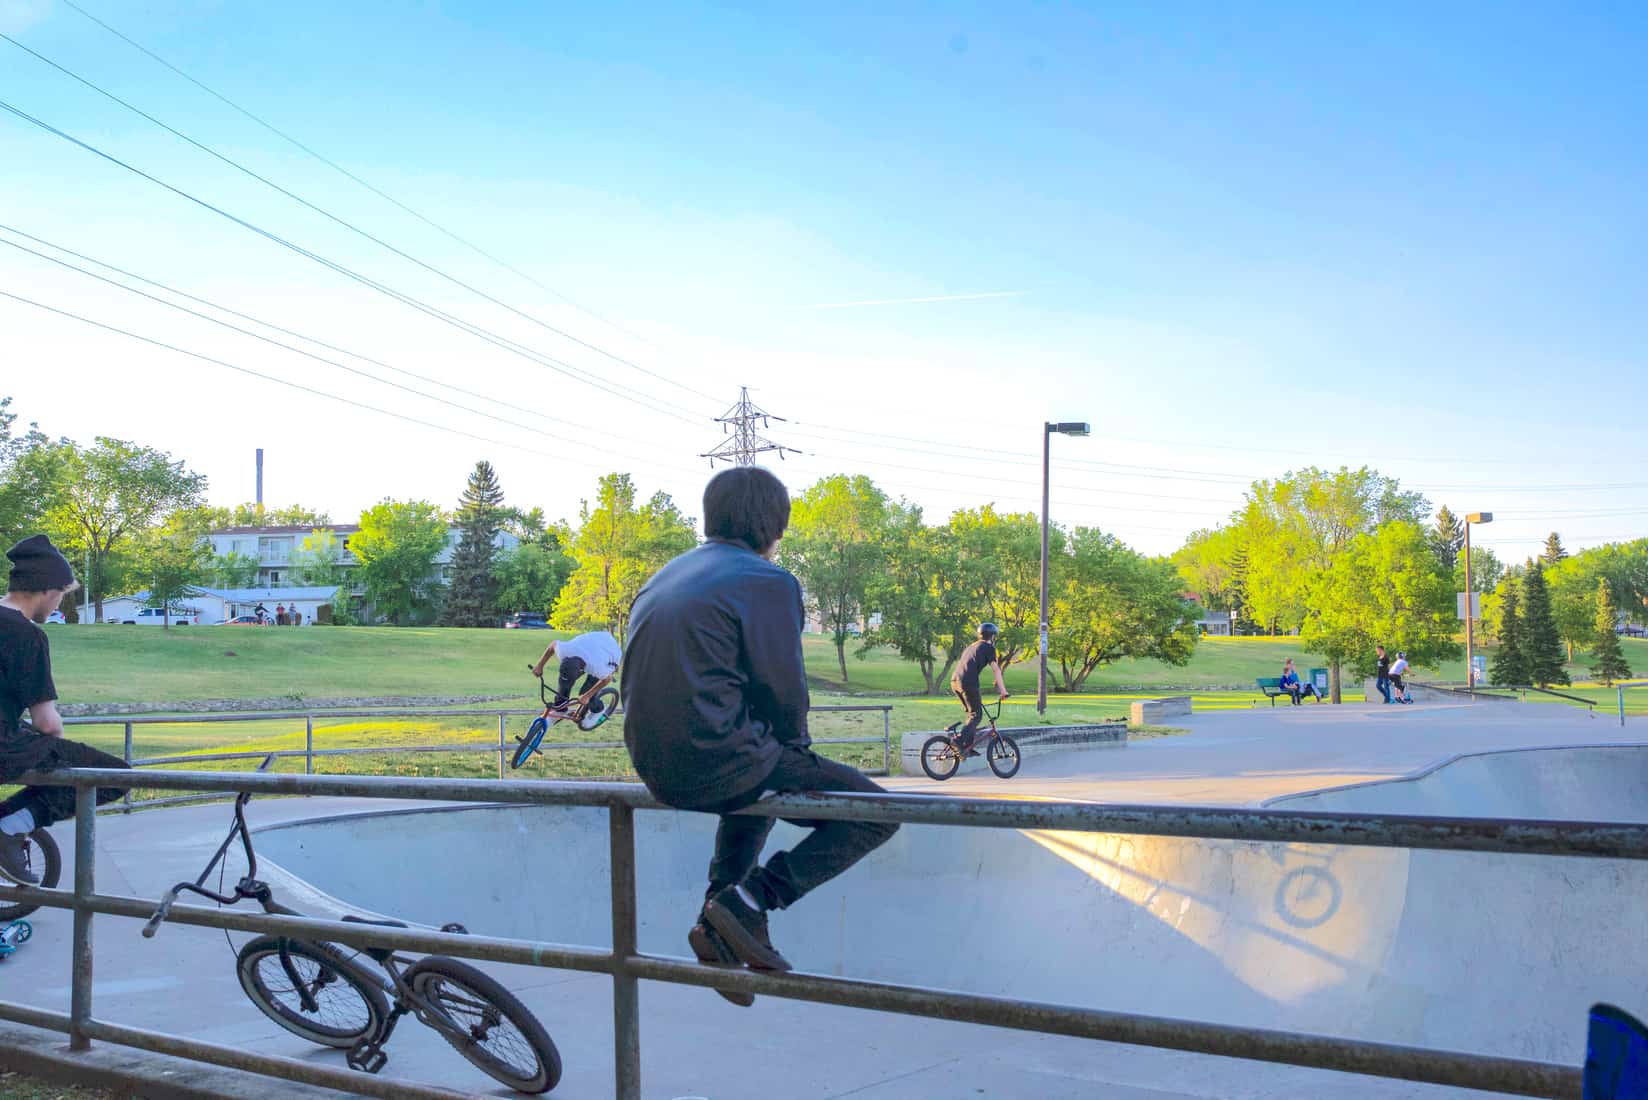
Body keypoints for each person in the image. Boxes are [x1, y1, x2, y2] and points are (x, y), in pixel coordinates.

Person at [622, 466, 898, 1001]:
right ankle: (749, 902)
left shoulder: (666, 575)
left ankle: (717, 922)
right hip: (716, 759)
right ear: (774, 525)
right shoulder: (768, 582)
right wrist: (797, 751)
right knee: (876, 814)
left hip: (655, 763)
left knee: (756, 774)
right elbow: (783, 689)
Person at [0, 536, 131, 885]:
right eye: (62, 594)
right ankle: (9, 827)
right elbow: (46, 723)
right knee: (115, 774)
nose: (60, 603)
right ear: (46, 588)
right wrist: (55, 740)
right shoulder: (27, 635)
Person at [530, 630, 621, 727]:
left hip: (609, 655)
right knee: (564, 683)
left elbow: (607, 679)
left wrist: (587, 696)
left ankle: (598, 710)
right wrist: (540, 666)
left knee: (585, 692)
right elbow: (553, 644)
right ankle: (560, 710)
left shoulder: (596, 668)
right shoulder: (563, 650)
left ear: (581, 670)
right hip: (592, 643)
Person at [950, 623, 1009, 753]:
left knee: (972, 715)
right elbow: (996, 670)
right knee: (977, 716)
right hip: (968, 683)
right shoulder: (988, 647)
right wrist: (1003, 691)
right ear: (992, 636)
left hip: (955, 681)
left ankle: (967, 747)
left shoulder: (970, 647)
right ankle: (959, 741)